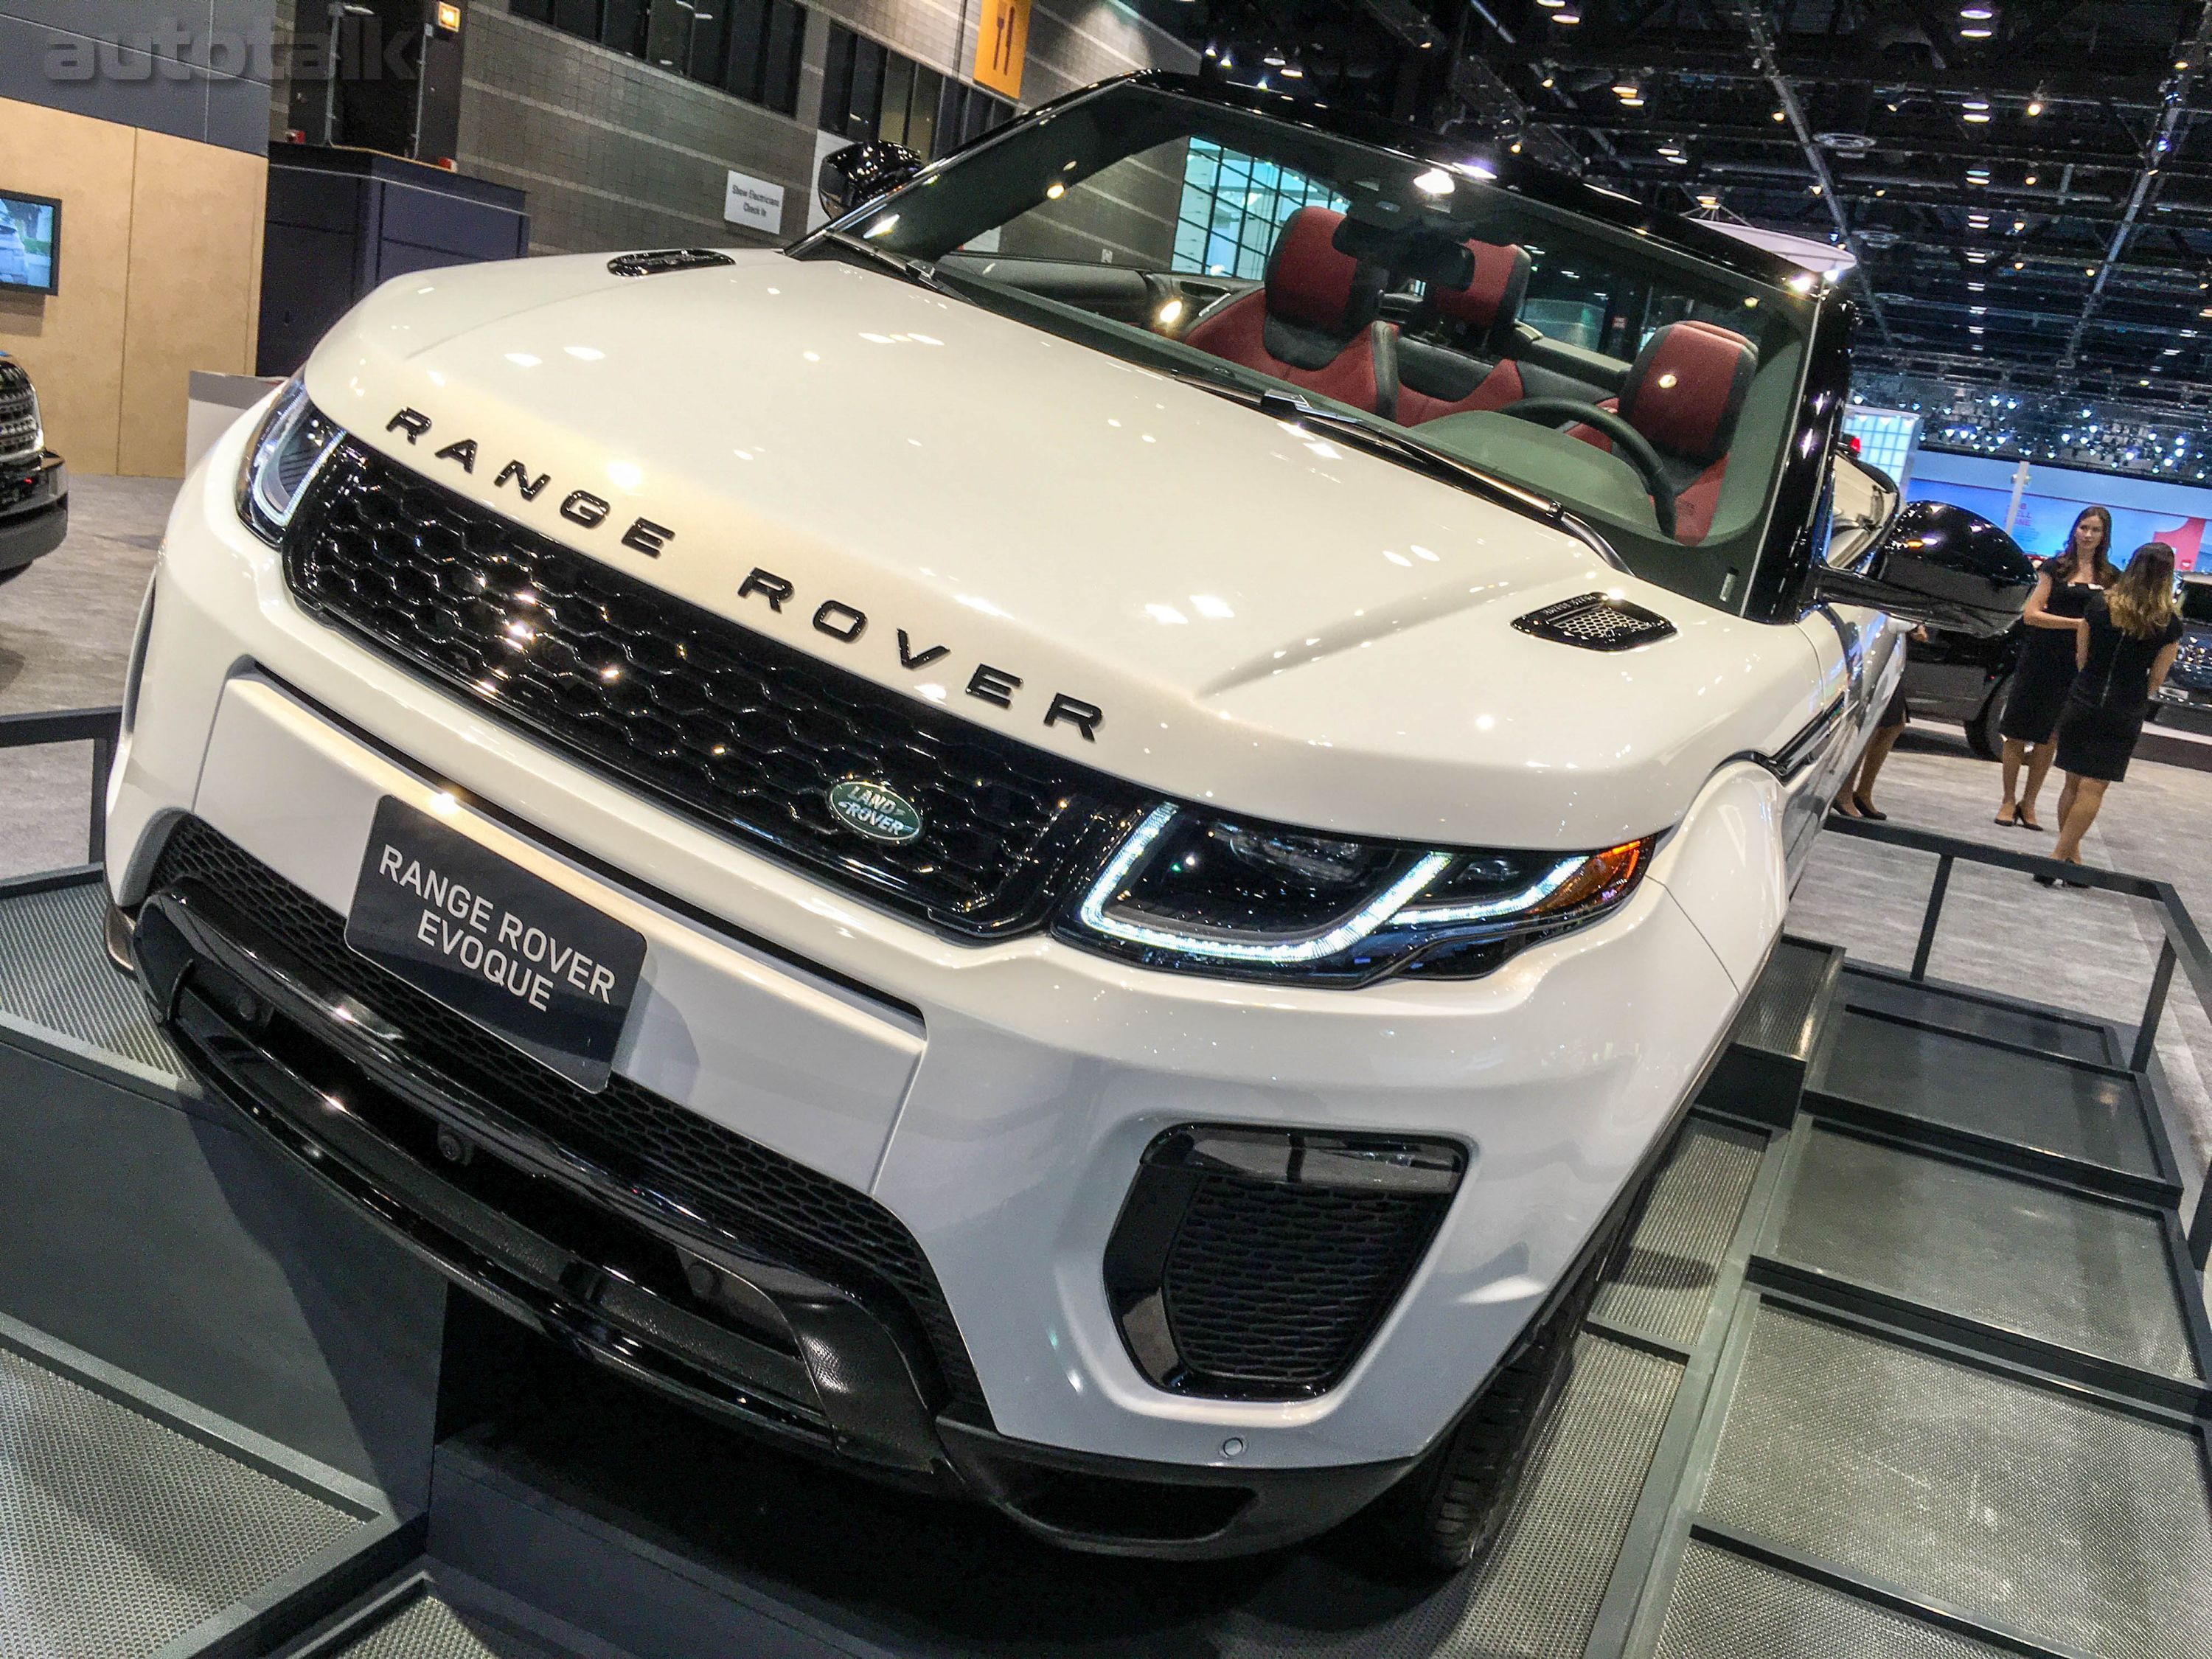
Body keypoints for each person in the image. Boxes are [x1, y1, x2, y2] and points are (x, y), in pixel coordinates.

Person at [2039, 543, 2184, 886]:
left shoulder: (2099, 604)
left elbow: (2082, 657)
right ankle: (2059, 858)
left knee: (2072, 782)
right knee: (2094, 787)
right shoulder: (2168, 624)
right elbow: (2157, 679)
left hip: (2084, 699)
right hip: (2125, 707)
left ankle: (2071, 859)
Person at [1997, 506, 2115, 830]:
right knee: (2017, 731)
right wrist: (2078, 624)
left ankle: (2029, 803)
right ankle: (2008, 800)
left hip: (2076, 666)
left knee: (2049, 737)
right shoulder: (2055, 567)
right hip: (2039, 658)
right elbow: (2032, 615)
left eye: (2095, 530)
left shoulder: (2110, 577)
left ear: (2105, 536)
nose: (2088, 535)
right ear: (2075, 529)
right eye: (2084, 527)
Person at [1832, 626, 1925, 821]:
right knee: (1872, 722)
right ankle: (1845, 791)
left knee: (1892, 723)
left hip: (1891, 642)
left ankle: (1862, 792)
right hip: (1876, 640)